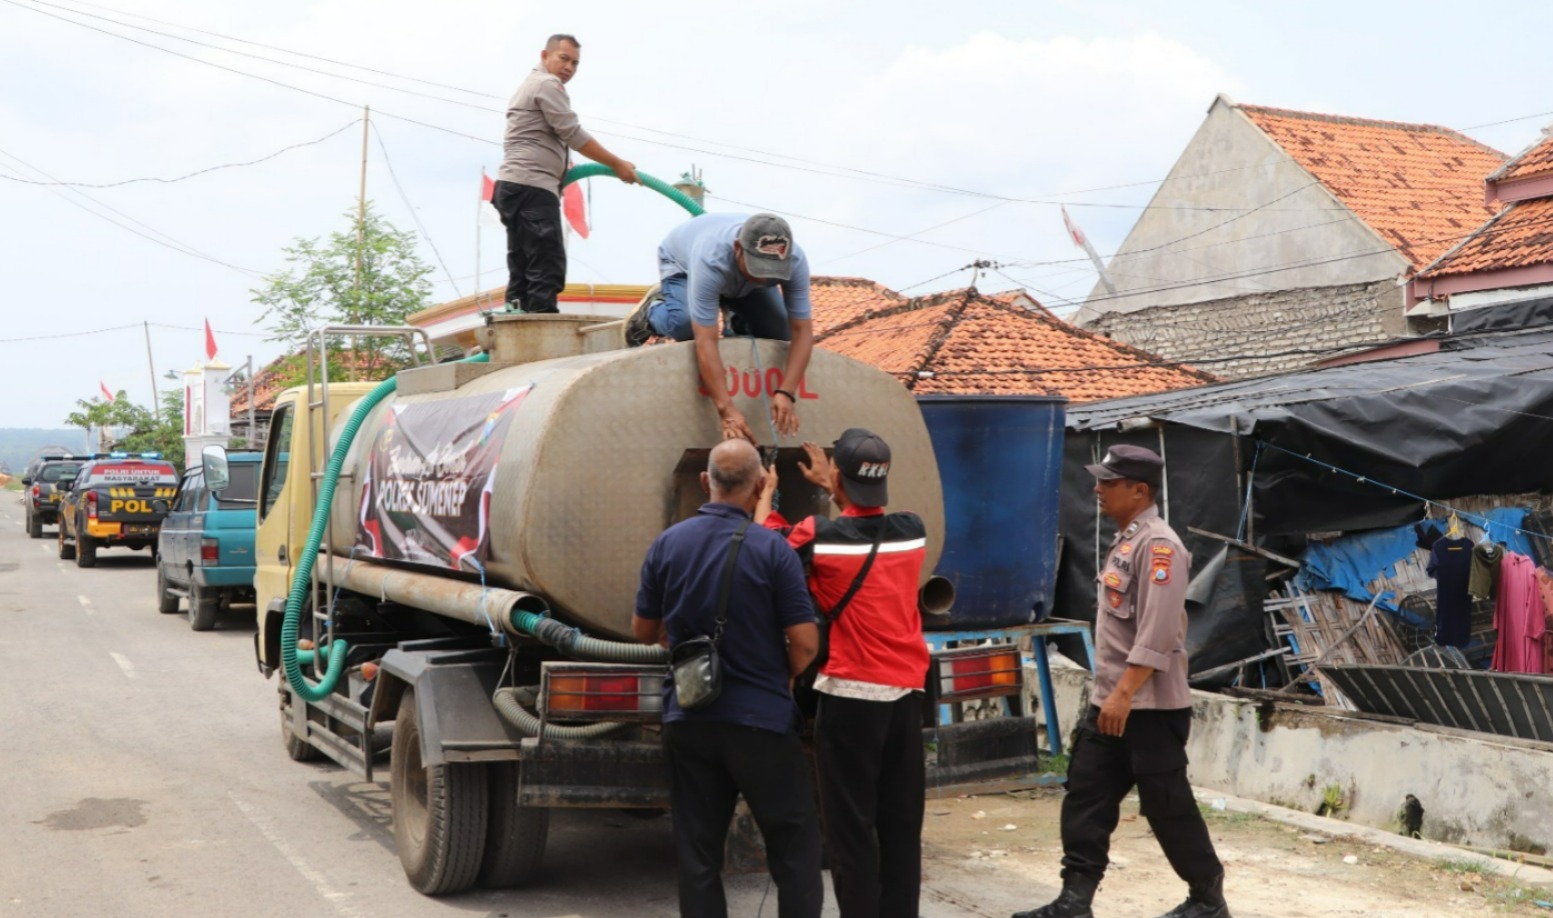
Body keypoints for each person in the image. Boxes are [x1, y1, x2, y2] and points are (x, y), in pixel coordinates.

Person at [1012, 445, 1230, 918]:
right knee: (1086, 796)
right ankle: (1075, 900)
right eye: (1099, 481)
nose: (1097, 490)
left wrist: (1124, 695)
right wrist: (1112, 698)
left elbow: (1158, 632)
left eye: (1108, 483)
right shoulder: (1127, 541)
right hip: (1113, 701)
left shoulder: (1160, 546)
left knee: (1167, 807)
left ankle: (1207, 898)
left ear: (1140, 490)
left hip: (1147, 707)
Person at [633, 438, 824, 918]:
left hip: (689, 717)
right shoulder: (773, 551)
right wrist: (783, 677)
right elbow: (804, 642)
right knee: (794, 849)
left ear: (706, 482)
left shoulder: (667, 543)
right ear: (761, 484)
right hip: (761, 723)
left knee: (697, 855)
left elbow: (644, 631)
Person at [756, 430, 930, 918]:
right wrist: (836, 486)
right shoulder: (913, 530)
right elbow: (864, 524)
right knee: (900, 827)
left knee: (851, 830)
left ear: (837, 477)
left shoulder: (817, 534)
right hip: (905, 696)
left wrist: (767, 496)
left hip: (852, 699)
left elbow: (770, 550)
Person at [624, 212, 815, 443]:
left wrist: (787, 392)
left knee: (780, 331)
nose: (764, 279)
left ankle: (737, 316)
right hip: (682, 265)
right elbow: (706, 341)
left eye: (772, 273)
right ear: (738, 248)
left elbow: (801, 331)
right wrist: (726, 410)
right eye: (759, 269)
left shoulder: (794, 259)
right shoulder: (710, 258)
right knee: (685, 327)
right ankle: (652, 313)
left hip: (737, 283)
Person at [494, 33, 638, 314]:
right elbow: (572, 133)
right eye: (564, 59)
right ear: (545, 55)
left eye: (575, 63)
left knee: (523, 263)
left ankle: (516, 322)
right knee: (546, 262)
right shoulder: (547, 84)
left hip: (514, 186)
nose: (569, 68)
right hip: (532, 186)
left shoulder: (530, 84)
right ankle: (541, 327)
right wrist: (617, 163)